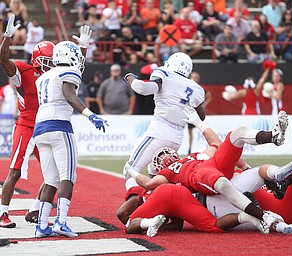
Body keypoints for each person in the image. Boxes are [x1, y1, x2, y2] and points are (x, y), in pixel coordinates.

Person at [124, 106, 291, 230]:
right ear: (157, 168)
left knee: (237, 134)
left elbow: (217, 144)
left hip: (211, 165)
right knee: (221, 184)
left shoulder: (195, 154)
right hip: (201, 176)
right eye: (160, 158)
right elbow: (149, 184)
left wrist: (198, 122)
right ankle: (262, 216)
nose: (165, 158)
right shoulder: (168, 174)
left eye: (164, 154)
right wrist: (132, 171)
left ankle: (273, 136)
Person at [33, 40, 109, 238]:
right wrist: (90, 114)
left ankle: (41, 225)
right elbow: (69, 95)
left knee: (50, 180)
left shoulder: (44, 76)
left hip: (40, 128)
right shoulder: (68, 72)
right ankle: (60, 222)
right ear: (69, 56)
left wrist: (82, 48)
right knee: (68, 177)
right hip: (59, 126)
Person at [124, 162, 292, 237]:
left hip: (215, 202)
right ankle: (278, 178)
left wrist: (132, 173)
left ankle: (275, 218)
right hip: (217, 194)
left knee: (218, 222)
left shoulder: (168, 179)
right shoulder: (184, 168)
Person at [0, 15, 55, 229]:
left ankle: (35, 210)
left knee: (55, 175)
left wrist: (84, 49)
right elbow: (3, 60)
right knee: (14, 170)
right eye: (48, 61)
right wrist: (7, 36)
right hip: (26, 125)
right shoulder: (25, 72)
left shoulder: (55, 77)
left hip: (45, 127)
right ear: (38, 59)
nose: (52, 65)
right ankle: (2, 213)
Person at [123, 52, 206, 192]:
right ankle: (157, 209)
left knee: (130, 169)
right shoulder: (196, 88)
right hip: (177, 138)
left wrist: (129, 78)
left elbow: (142, 88)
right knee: (157, 177)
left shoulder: (165, 74)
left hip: (159, 131)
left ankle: (137, 204)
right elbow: (201, 116)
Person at [187, 71, 212, 154]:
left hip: (193, 112)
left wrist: (203, 106)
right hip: (184, 110)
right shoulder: (186, 85)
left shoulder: (200, 89)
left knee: (192, 131)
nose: (196, 79)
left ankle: (190, 148)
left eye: (197, 78)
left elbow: (209, 95)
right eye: (194, 77)